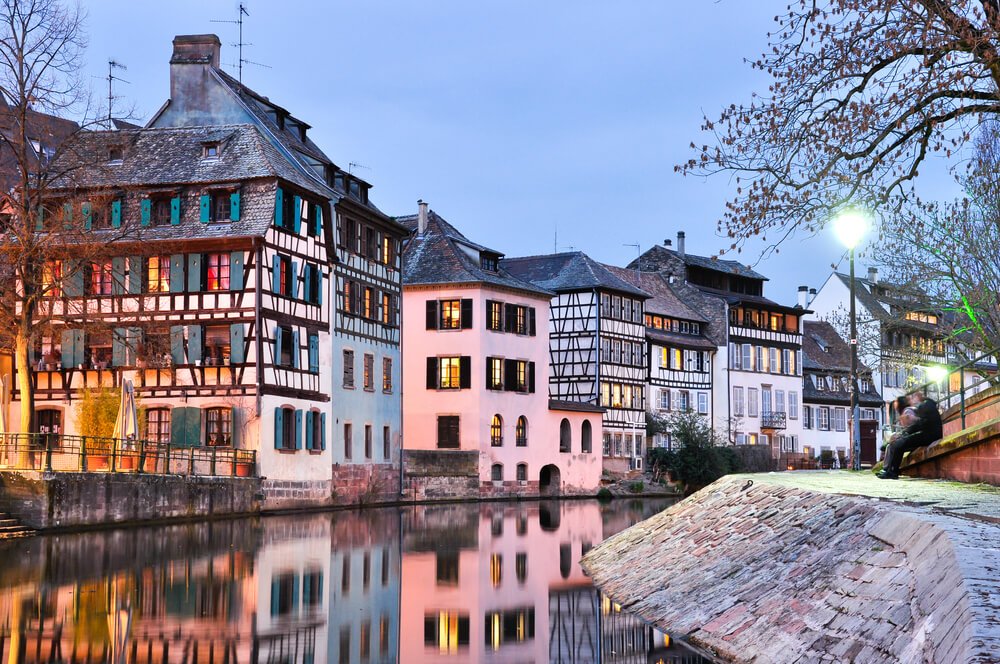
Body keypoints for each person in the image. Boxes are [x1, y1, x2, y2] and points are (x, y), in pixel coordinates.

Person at [878, 391, 942, 479]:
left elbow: (921, 424)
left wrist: (906, 432)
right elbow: (920, 424)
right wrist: (905, 432)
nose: (911, 401)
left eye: (913, 398)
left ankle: (893, 472)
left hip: (929, 435)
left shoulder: (925, 406)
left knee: (899, 444)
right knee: (897, 443)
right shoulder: (925, 405)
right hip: (928, 434)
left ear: (918, 397)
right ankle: (890, 470)